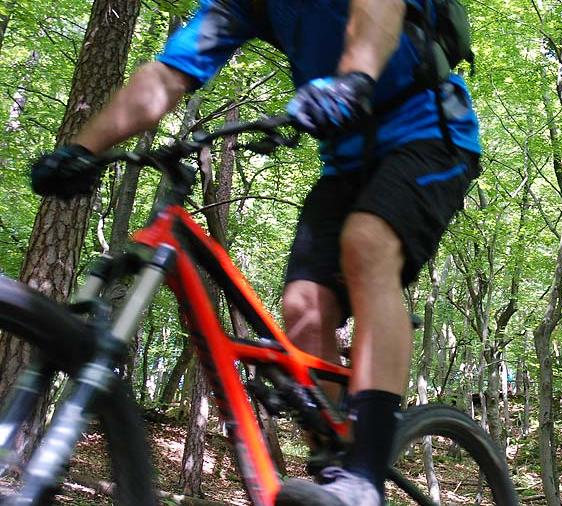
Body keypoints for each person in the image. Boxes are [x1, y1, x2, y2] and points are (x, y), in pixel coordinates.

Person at [29, 1, 481, 504]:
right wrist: (83, 150)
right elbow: (167, 74)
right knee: (305, 311)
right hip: (345, 162)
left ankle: (365, 478)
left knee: (368, 241)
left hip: (433, 134)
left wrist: (353, 78)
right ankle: (335, 465)